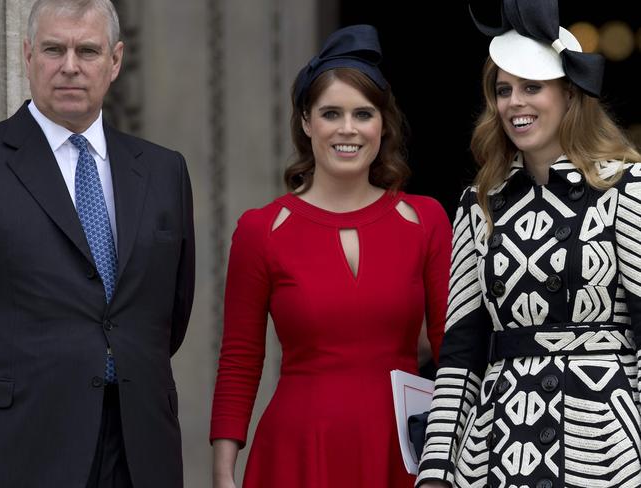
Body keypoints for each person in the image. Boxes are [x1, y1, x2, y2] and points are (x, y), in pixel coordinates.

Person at [210, 24, 452, 488]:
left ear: (383, 125)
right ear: (306, 122)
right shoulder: (262, 229)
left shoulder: (426, 220)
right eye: (331, 113)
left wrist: (458, 453)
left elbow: (451, 351)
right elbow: (240, 357)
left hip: (400, 451)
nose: (348, 129)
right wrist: (224, 470)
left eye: (363, 114)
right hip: (296, 451)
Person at [417, 1, 641, 487]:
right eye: (503, 90)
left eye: (531, 87)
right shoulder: (478, 204)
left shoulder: (628, 188)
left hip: (601, 448)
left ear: (569, 94)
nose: (514, 102)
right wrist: (435, 469)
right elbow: (461, 353)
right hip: (497, 448)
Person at [0, 0, 195, 486]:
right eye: (53, 49)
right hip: (24, 440)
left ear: (116, 61)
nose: (70, 67)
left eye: (87, 50)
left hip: (140, 441)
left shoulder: (165, 171)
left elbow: (172, 312)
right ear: (26, 55)